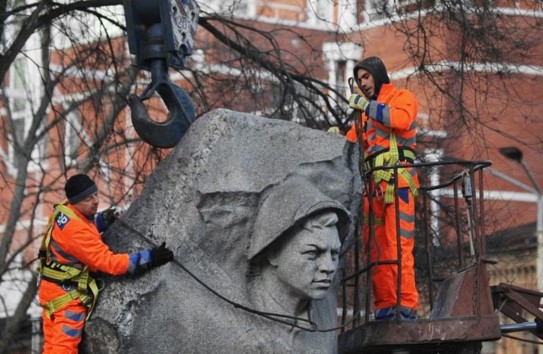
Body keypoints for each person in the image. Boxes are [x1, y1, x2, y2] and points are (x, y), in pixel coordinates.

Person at [37, 174, 174, 354]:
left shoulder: (65, 211)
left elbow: (83, 227)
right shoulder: (75, 232)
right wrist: (150, 257)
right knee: (64, 348)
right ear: (76, 202)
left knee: (51, 346)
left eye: (95, 194)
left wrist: (101, 220)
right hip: (66, 298)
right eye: (88, 198)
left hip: (51, 290)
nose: (95, 201)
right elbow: (110, 264)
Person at [345, 56, 419, 320]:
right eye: (359, 79)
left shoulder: (401, 97)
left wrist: (367, 107)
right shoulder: (364, 115)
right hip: (373, 188)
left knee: (399, 245)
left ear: (378, 74)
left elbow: (400, 120)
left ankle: (407, 305)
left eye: (366, 77)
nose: (363, 83)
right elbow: (350, 144)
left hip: (399, 182)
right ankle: (385, 306)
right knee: (376, 248)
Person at [248, 178, 350, 323]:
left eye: (334, 254)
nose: (328, 267)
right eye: (313, 253)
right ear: (273, 252)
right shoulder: (226, 318)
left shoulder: (324, 322)